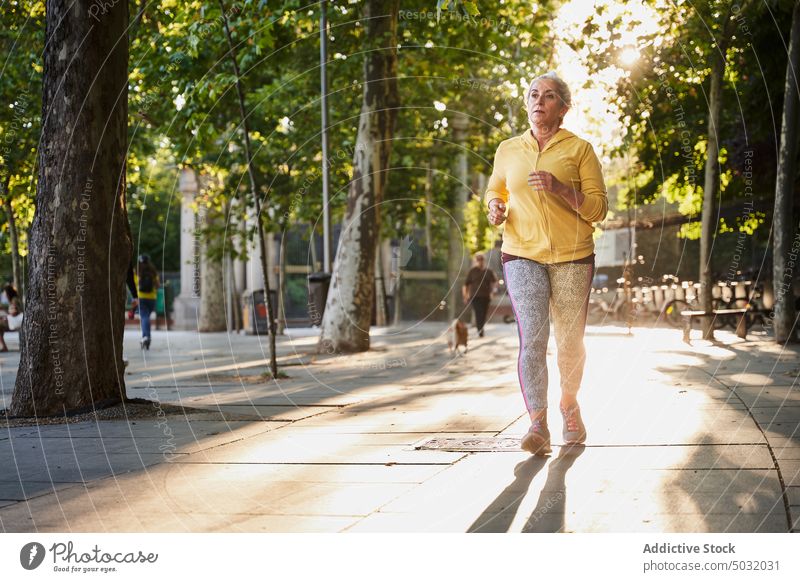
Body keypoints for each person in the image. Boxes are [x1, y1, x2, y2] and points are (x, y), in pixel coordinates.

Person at [485, 71, 608, 455]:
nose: (539, 100)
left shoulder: (580, 150)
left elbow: (599, 208)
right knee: (533, 340)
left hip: (573, 257)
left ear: (564, 108)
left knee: (569, 342)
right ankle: (537, 423)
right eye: (534, 94)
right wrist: (494, 206)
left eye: (549, 95)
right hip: (521, 253)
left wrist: (560, 189)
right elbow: (495, 186)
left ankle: (568, 404)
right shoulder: (508, 148)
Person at [462, 253, 497, 337]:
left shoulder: (489, 271)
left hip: (486, 296)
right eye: (478, 259)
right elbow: (466, 284)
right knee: (478, 312)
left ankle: (481, 328)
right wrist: (465, 296)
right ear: (476, 261)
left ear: (484, 261)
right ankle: (480, 330)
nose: (480, 261)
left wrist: (493, 291)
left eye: (481, 259)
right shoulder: (472, 271)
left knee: (484, 313)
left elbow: (495, 282)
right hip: (475, 296)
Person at [134, 255, 159, 350]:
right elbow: (157, 285)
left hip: (141, 298)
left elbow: (133, 284)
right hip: (152, 298)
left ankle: (146, 337)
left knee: (144, 317)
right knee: (146, 317)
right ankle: (146, 337)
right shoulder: (153, 271)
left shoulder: (137, 271)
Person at [0, 283, 22, 352]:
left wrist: (5, 314)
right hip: (13, 320)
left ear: (8, 293)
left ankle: (4, 347)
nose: (5, 294)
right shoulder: (14, 299)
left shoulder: (14, 300)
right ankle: (4, 346)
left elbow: (14, 312)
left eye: (5, 292)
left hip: (14, 322)